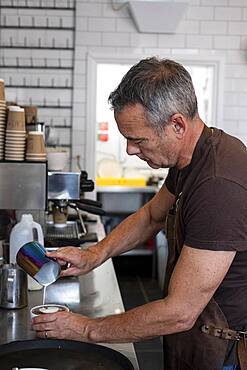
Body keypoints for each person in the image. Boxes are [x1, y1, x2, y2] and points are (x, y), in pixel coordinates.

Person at [32, 57, 247, 370]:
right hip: (196, 337)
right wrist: (93, 255)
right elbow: (151, 216)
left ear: (177, 125)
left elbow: (179, 311)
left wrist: (85, 328)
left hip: (224, 355)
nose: (131, 150)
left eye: (138, 139)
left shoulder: (218, 185)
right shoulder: (192, 158)